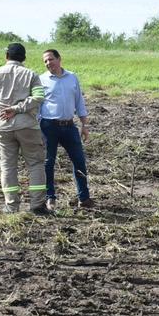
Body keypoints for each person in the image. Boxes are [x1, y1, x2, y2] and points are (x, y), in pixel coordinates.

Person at [0, 43, 49, 214]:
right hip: (27, 126)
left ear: (6, 56)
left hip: (2, 126)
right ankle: (37, 205)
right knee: (35, 164)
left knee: (7, 166)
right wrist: (17, 108)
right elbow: (39, 97)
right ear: (24, 58)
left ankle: (11, 206)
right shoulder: (31, 75)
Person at [39, 48, 93, 211]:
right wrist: (37, 127)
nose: (48, 63)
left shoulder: (72, 77)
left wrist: (84, 125)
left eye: (50, 59)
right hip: (48, 126)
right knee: (48, 163)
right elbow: (37, 105)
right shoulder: (41, 79)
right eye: (45, 61)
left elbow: (79, 102)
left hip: (69, 126)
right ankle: (50, 198)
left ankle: (84, 198)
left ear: (59, 59)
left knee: (79, 161)